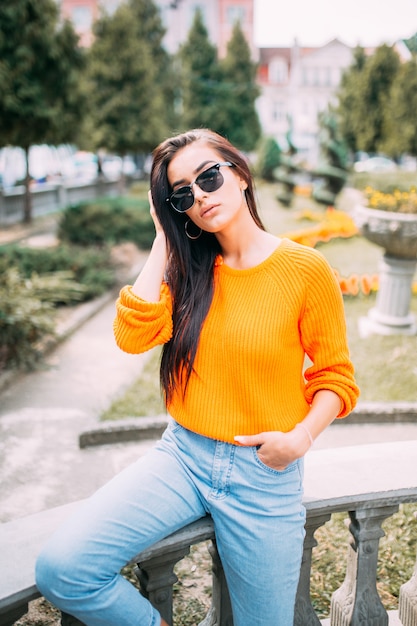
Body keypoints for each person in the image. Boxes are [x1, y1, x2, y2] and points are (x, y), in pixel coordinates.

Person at [36, 128, 359, 626]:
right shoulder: (187, 269)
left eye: (208, 177)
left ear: (241, 175)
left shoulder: (305, 269)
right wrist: (164, 239)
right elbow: (131, 335)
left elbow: (335, 377)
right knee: (63, 569)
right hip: (183, 457)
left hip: (263, 476)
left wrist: (301, 438)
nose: (200, 196)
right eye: (182, 193)